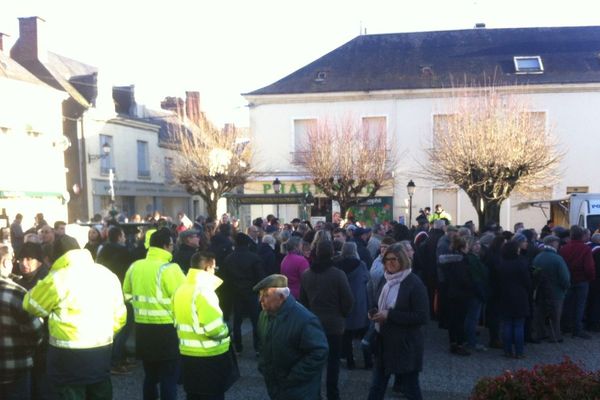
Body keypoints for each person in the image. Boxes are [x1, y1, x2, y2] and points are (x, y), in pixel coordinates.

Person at [22, 245, 126, 400]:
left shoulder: (58, 277)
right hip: (101, 353)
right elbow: (120, 316)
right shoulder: (108, 275)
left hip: (66, 359)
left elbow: (30, 305)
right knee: (100, 391)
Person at [123, 227, 186, 400]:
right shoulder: (170, 269)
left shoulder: (135, 266)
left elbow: (126, 293)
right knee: (169, 377)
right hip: (167, 330)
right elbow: (183, 297)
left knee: (150, 376)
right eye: (172, 244)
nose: (173, 247)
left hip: (143, 328)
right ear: (166, 246)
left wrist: (138, 305)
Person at [173, 251, 239, 400]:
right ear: (208, 268)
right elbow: (214, 329)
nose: (215, 271)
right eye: (215, 268)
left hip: (187, 353)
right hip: (209, 355)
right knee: (212, 395)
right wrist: (227, 329)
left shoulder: (181, 289)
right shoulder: (204, 292)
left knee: (194, 394)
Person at [367, 243, 429, 400]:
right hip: (384, 342)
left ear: (403, 260)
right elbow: (376, 301)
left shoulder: (414, 283)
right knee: (376, 387)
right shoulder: (385, 279)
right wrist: (373, 311)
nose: (390, 263)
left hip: (406, 344)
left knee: (411, 388)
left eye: (394, 259)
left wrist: (389, 315)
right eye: (387, 260)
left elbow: (421, 317)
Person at [254, 274, 328, 400]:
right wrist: (264, 366)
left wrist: (293, 376)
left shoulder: (304, 319)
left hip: (299, 391)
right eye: (260, 295)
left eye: (266, 295)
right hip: (276, 387)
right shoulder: (265, 315)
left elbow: (319, 351)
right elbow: (262, 343)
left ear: (281, 297)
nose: (260, 300)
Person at [300, 240, 354, 400]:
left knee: (315, 361)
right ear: (331, 253)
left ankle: (314, 393)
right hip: (334, 324)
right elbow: (348, 300)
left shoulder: (306, 274)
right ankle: (332, 394)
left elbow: (302, 300)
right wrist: (342, 315)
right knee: (333, 362)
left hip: (313, 323)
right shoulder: (338, 274)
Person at [0, 245, 44, 400]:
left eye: (29, 258)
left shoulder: (43, 282)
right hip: (16, 365)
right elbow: (36, 331)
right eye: (19, 259)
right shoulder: (16, 292)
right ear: (6, 263)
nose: (23, 263)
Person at [96, 226, 135, 374]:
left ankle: (119, 358)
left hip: (106, 292)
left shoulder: (103, 250)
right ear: (119, 237)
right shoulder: (123, 251)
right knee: (123, 327)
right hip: (122, 294)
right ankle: (115, 362)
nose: (125, 238)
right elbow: (128, 271)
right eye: (123, 235)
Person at [221, 233, 265, 355]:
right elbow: (260, 276)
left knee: (237, 320)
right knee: (256, 320)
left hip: (235, 292)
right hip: (251, 291)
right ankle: (257, 347)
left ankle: (238, 347)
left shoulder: (229, 258)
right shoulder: (254, 258)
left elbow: (225, 277)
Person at [336, 242, 371, 370]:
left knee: (346, 334)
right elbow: (367, 278)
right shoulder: (361, 265)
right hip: (359, 301)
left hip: (344, 302)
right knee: (364, 334)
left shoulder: (338, 265)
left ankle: (349, 361)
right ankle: (368, 362)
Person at [531, 235, 570, 343]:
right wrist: (566, 287)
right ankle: (555, 336)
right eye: (557, 243)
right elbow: (565, 277)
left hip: (540, 291)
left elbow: (534, 273)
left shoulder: (538, 257)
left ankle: (541, 333)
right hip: (556, 291)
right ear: (553, 243)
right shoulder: (557, 259)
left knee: (540, 313)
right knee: (555, 315)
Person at [559, 225, 595, 339]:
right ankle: (577, 329)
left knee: (567, 304)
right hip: (582, 280)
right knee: (580, 305)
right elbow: (589, 267)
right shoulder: (585, 249)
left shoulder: (564, 248)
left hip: (568, 279)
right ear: (582, 235)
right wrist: (590, 278)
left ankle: (565, 326)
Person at [498, 240, 532, 358]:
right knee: (518, 325)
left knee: (507, 325)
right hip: (519, 296)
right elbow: (527, 281)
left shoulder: (501, 263)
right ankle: (519, 351)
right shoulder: (521, 263)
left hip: (504, 295)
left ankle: (507, 350)